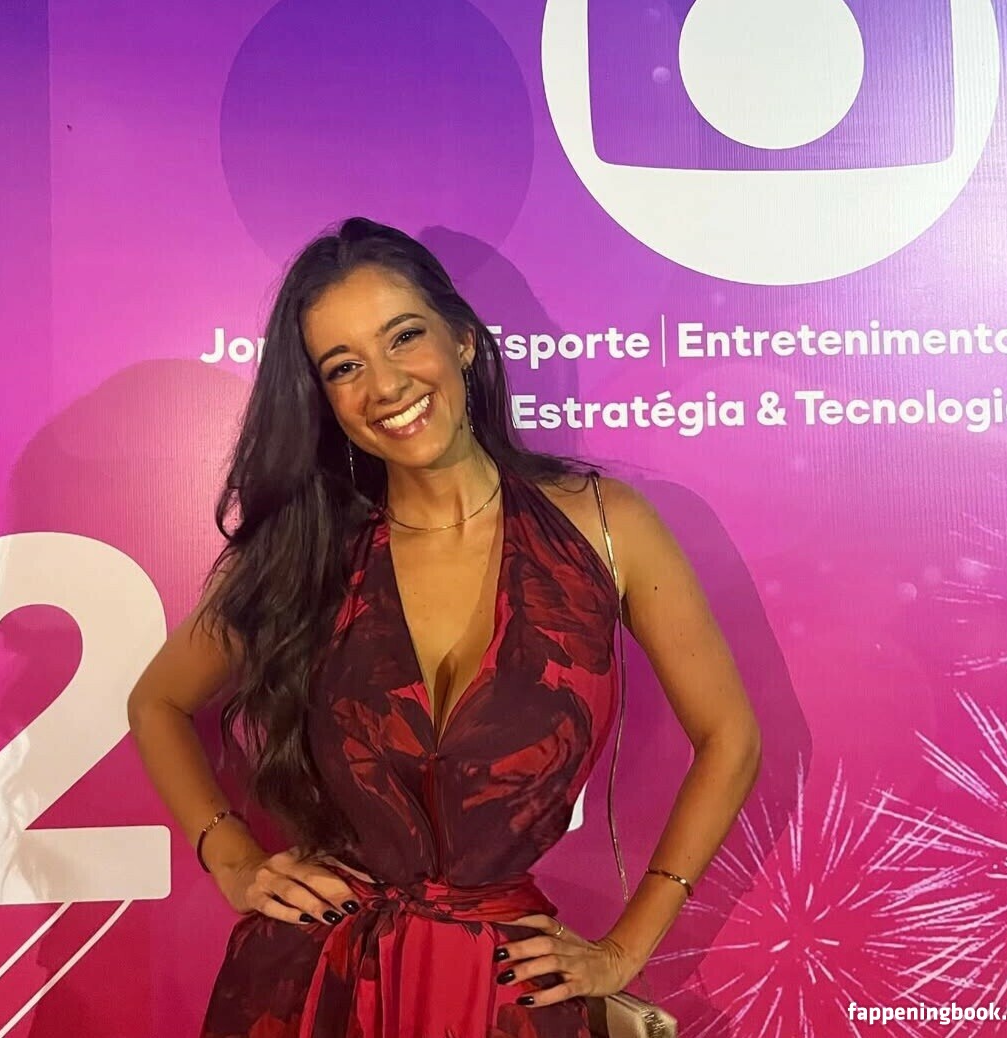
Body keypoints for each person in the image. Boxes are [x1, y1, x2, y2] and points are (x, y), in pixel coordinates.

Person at [126, 217, 761, 1038]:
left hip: (499, 992)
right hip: (315, 988)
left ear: (461, 340)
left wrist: (624, 949)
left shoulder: (606, 526)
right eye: (345, 366)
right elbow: (156, 703)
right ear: (324, 399)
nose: (386, 385)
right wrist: (234, 859)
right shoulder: (308, 550)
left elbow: (731, 737)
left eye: (404, 337)